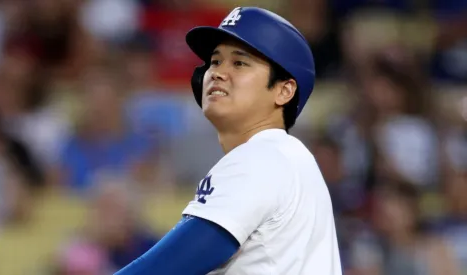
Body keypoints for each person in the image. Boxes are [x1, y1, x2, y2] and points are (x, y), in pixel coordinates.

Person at [114, 6, 342, 275]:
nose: (218, 72)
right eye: (215, 61)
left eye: (239, 62)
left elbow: (163, 269)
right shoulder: (286, 157)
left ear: (284, 90)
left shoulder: (263, 157)